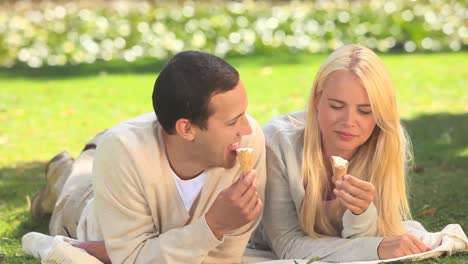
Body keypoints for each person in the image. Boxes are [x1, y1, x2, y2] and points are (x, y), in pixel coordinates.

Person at [27, 50, 266, 263]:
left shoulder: (248, 139)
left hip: (134, 154)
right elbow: (131, 258)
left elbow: (223, 259)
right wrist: (214, 225)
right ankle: (63, 171)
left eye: (244, 114)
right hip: (88, 211)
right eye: (233, 121)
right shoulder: (123, 150)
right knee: (77, 183)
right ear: (186, 129)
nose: (246, 128)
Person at [250, 44, 432, 262]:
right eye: (336, 106)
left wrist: (361, 213)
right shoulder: (277, 142)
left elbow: (368, 235)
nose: (348, 122)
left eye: (365, 111)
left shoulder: (386, 142)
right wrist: (375, 248)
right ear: (317, 100)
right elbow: (287, 244)